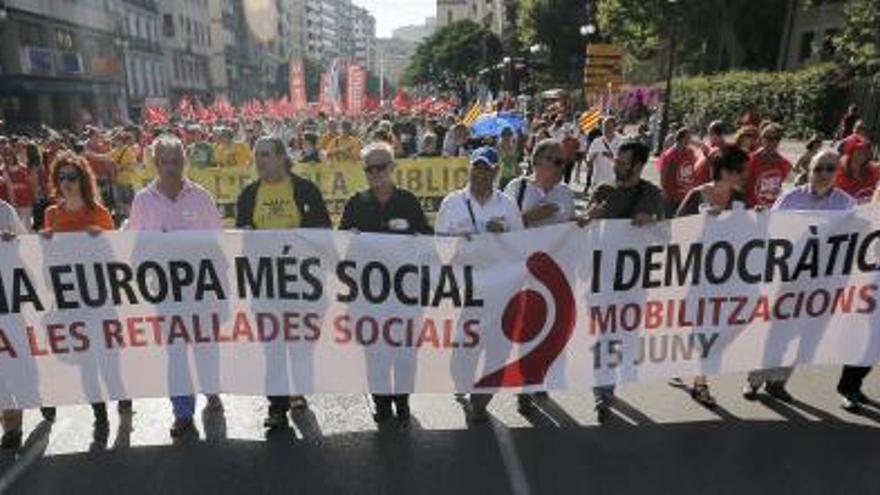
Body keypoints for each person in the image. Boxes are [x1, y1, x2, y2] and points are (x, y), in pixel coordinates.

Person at [127, 134, 224, 438]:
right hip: (166, 291)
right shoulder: (143, 201)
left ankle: (212, 392)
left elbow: (217, 243)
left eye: (176, 160)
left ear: (185, 161)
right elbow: (135, 246)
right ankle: (182, 412)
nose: (171, 167)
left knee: (206, 347)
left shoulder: (202, 197)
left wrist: (224, 289)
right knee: (176, 352)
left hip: (202, 288)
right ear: (155, 163)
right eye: (165, 161)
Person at [234, 135, 331, 430]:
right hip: (266, 285)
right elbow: (241, 237)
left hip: (302, 284)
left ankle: (297, 391)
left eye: (265, 154)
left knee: (301, 345)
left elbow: (324, 231)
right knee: (273, 348)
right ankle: (276, 406)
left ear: (280, 157)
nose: (259, 161)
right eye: (257, 155)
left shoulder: (304, 190)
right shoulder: (249, 194)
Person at [743, 149, 855, 402]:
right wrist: (761, 218)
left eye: (830, 168)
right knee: (771, 329)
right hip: (787, 275)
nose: (824, 173)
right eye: (819, 168)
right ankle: (755, 380)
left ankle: (779, 382)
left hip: (820, 279)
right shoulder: (791, 198)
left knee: (801, 331)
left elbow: (854, 237)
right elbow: (772, 232)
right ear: (809, 170)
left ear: (838, 172)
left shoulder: (846, 204)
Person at [338, 142, 432, 424]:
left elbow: (428, 238)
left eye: (381, 167)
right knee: (375, 354)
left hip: (406, 294)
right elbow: (340, 242)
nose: (376, 173)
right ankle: (381, 403)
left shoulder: (408, 201)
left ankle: (402, 400)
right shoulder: (355, 202)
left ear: (392, 168)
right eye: (370, 169)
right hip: (369, 297)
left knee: (405, 354)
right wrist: (348, 238)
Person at [576, 138, 667, 420]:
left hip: (633, 281)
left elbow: (666, 238)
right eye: (616, 160)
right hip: (601, 278)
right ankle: (603, 391)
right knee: (605, 336)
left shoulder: (651, 194)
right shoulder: (603, 190)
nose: (616, 165)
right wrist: (588, 217)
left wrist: (650, 225)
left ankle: (605, 383)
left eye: (623, 162)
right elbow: (582, 228)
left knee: (623, 338)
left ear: (638, 166)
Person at [39, 151, 130, 424]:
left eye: (72, 177)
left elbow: (115, 258)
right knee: (86, 360)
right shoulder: (51, 215)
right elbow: (48, 260)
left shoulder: (99, 213)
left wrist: (101, 239)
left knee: (109, 357)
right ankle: (99, 412)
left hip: (100, 297)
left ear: (83, 180)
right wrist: (44, 243)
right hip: (70, 299)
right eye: (61, 177)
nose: (67, 182)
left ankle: (123, 396)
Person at [435, 146, 524, 423]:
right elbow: (439, 245)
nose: (480, 174)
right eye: (477, 167)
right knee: (464, 348)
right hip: (467, 291)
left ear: (496, 171)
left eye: (487, 169)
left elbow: (522, 247)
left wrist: (504, 237)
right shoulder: (452, 203)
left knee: (498, 349)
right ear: (470, 168)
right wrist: (458, 242)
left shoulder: (507, 205)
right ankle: (463, 382)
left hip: (502, 290)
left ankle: (481, 400)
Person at [675, 145, 750, 407]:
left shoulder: (740, 198)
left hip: (724, 277)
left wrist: (758, 220)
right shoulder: (698, 195)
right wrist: (704, 224)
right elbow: (675, 232)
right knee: (693, 326)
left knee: (712, 328)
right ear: (725, 170)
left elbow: (747, 236)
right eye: (740, 170)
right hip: (694, 274)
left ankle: (700, 382)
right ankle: (687, 365)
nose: (744, 175)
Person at [0, 197, 30, 450]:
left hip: (7, 296)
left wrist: (13, 241)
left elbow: (28, 245)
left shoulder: (4, 210)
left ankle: (35, 396)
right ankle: (11, 425)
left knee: (14, 360)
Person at [743, 123, 791, 209]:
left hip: (772, 209)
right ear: (762, 139)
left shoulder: (784, 164)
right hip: (752, 209)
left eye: (777, 138)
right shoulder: (751, 160)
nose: (773, 142)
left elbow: (778, 187)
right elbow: (742, 184)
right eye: (769, 138)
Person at [658, 127, 698, 214]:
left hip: (686, 194)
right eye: (688, 138)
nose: (689, 140)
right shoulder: (669, 154)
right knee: (671, 221)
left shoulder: (690, 152)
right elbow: (663, 172)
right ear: (681, 139)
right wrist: (663, 189)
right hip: (672, 195)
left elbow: (692, 169)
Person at [834, 137, 879, 204]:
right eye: (859, 149)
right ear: (850, 152)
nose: (862, 153)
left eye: (865, 150)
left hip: (869, 211)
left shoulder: (873, 170)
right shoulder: (837, 173)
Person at [585, 116, 621, 193]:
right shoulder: (597, 141)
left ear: (615, 128)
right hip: (598, 181)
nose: (606, 130)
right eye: (604, 127)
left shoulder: (621, 141)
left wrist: (613, 156)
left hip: (614, 181)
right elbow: (588, 161)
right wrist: (591, 159)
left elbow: (626, 161)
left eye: (609, 127)